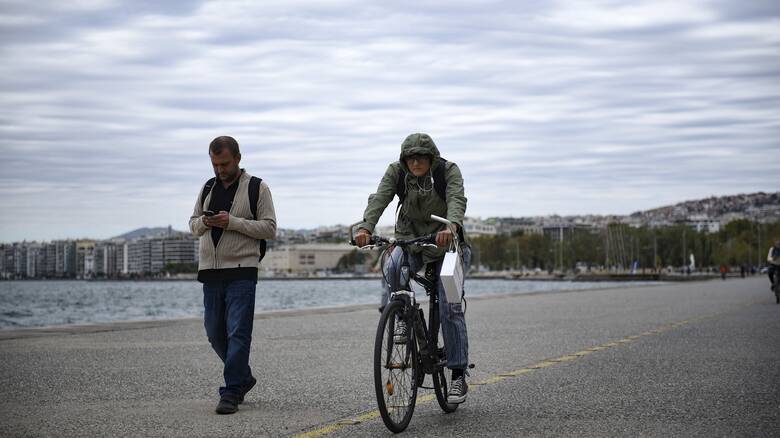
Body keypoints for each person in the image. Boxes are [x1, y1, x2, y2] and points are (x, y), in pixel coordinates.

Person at [354, 133, 472, 404]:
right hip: (412, 240)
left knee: (449, 306)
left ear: (432, 157)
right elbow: (379, 198)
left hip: (447, 244)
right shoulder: (397, 172)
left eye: (421, 157)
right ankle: (402, 318)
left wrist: (451, 225)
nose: (415, 162)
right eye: (410, 157)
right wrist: (365, 228)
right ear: (403, 159)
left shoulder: (447, 171)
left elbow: (457, 199)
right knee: (393, 266)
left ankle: (457, 375)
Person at [189, 136, 277, 415]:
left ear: (238, 158)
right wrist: (204, 221)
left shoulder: (257, 187)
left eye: (224, 163)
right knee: (214, 333)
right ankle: (242, 377)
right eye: (215, 164)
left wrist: (232, 222)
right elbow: (192, 225)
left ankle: (230, 392)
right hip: (211, 271)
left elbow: (269, 228)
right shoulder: (207, 187)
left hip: (242, 270)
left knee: (238, 332)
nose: (219, 169)